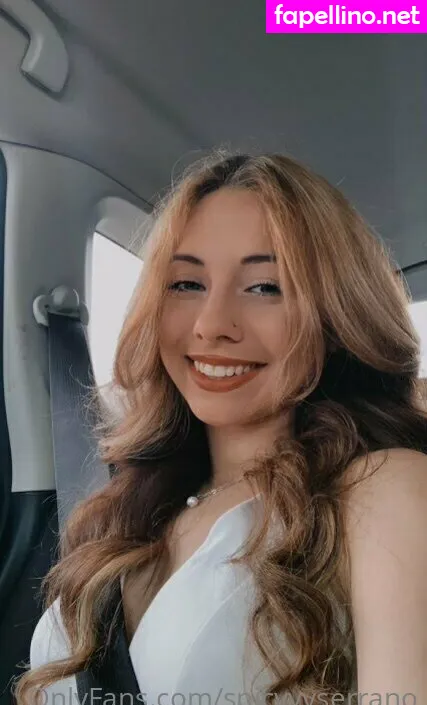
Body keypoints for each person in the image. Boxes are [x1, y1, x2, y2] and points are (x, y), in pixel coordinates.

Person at [15, 152, 427, 705]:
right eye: (186, 283)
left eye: (264, 288)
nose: (212, 326)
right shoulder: (123, 509)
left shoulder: (384, 489)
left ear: (336, 319)